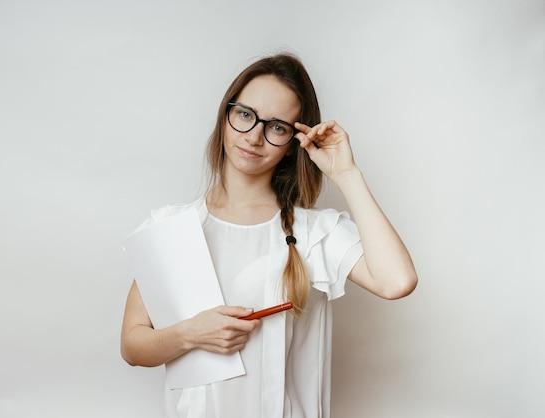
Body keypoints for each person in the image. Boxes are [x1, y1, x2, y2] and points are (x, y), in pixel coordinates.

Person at [120, 53, 417, 418]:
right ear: (226, 115)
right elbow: (133, 345)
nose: (254, 137)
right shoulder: (170, 227)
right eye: (245, 114)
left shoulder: (314, 233)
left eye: (276, 127)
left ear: (295, 141)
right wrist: (190, 334)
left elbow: (397, 282)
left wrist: (347, 173)